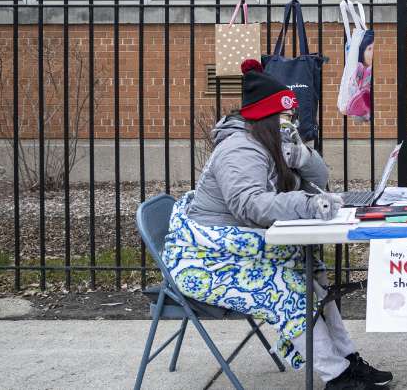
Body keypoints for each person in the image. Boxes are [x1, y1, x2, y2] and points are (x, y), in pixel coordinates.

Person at [163, 58, 393, 390]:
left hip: (237, 249)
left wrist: (302, 156)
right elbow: (251, 205)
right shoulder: (239, 149)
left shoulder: (269, 142)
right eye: (285, 118)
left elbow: (321, 177)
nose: (291, 124)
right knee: (290, 285)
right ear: (266, 119)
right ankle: (335, 375)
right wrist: (307, 204)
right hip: (205, 260)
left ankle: (347, 359)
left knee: (311, 273)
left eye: (292, 117)